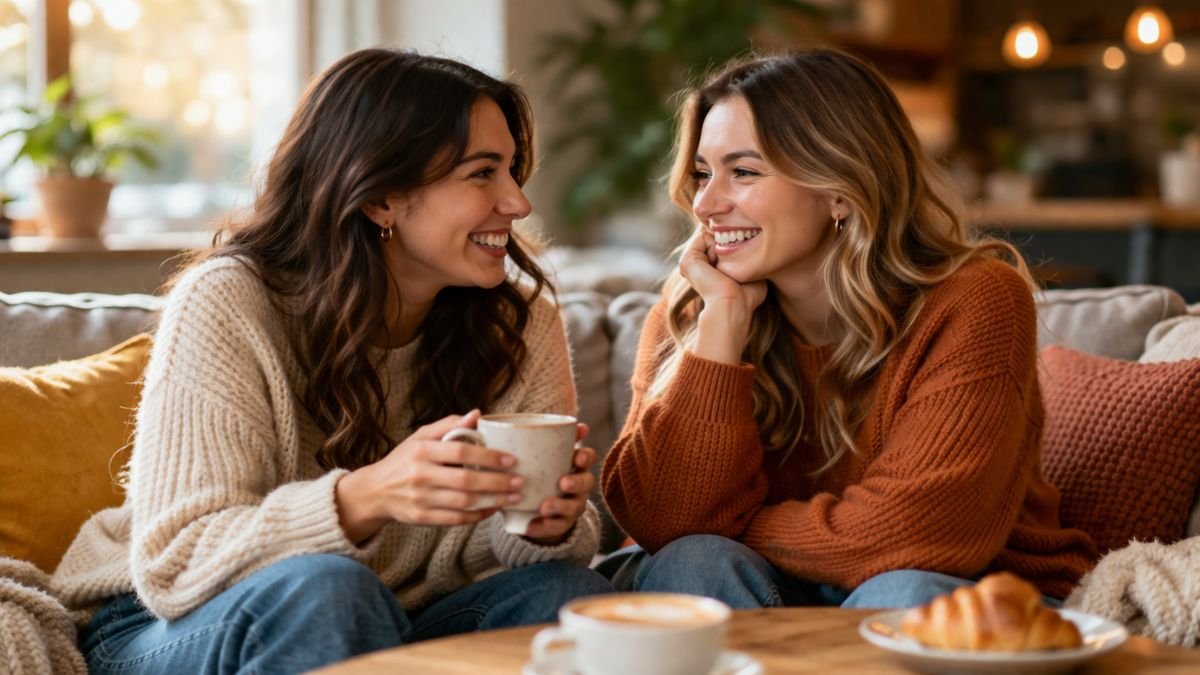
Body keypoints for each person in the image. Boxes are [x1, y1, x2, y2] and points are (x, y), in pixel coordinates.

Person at [50, 49, 611, 674]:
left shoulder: (519, 319)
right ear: (381, 199)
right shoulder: (230, 302)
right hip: (170, 622)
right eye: (483, 173)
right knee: (329, 590)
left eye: (513, 170)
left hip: (396, 609)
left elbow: (485, 553)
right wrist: (364, 495)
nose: (517, 203)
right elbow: (175, 564)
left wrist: (542, 526)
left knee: (569, 600)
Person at [598, 49, 1097, 610]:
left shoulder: (975, 301)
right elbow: (666, 523)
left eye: (743, 172)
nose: (707, 203)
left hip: (967, 595)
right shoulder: (697, 305)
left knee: (899, 589)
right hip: (766, 586)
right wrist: (722, 329)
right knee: (696, 562)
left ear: (838, 186)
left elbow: (914, 536)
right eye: (701, 173)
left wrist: (738, 521)